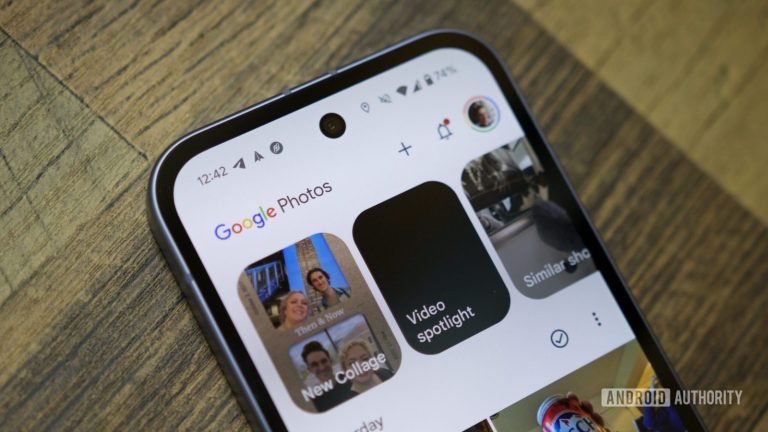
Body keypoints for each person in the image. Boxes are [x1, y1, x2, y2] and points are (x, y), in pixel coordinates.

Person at [300, 341, 354, 411]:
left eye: (324, 361)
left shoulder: (351, 378)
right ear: (310, 370)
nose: (322, 368)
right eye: (314, 365)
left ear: (330, 361)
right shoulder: (315, 401)